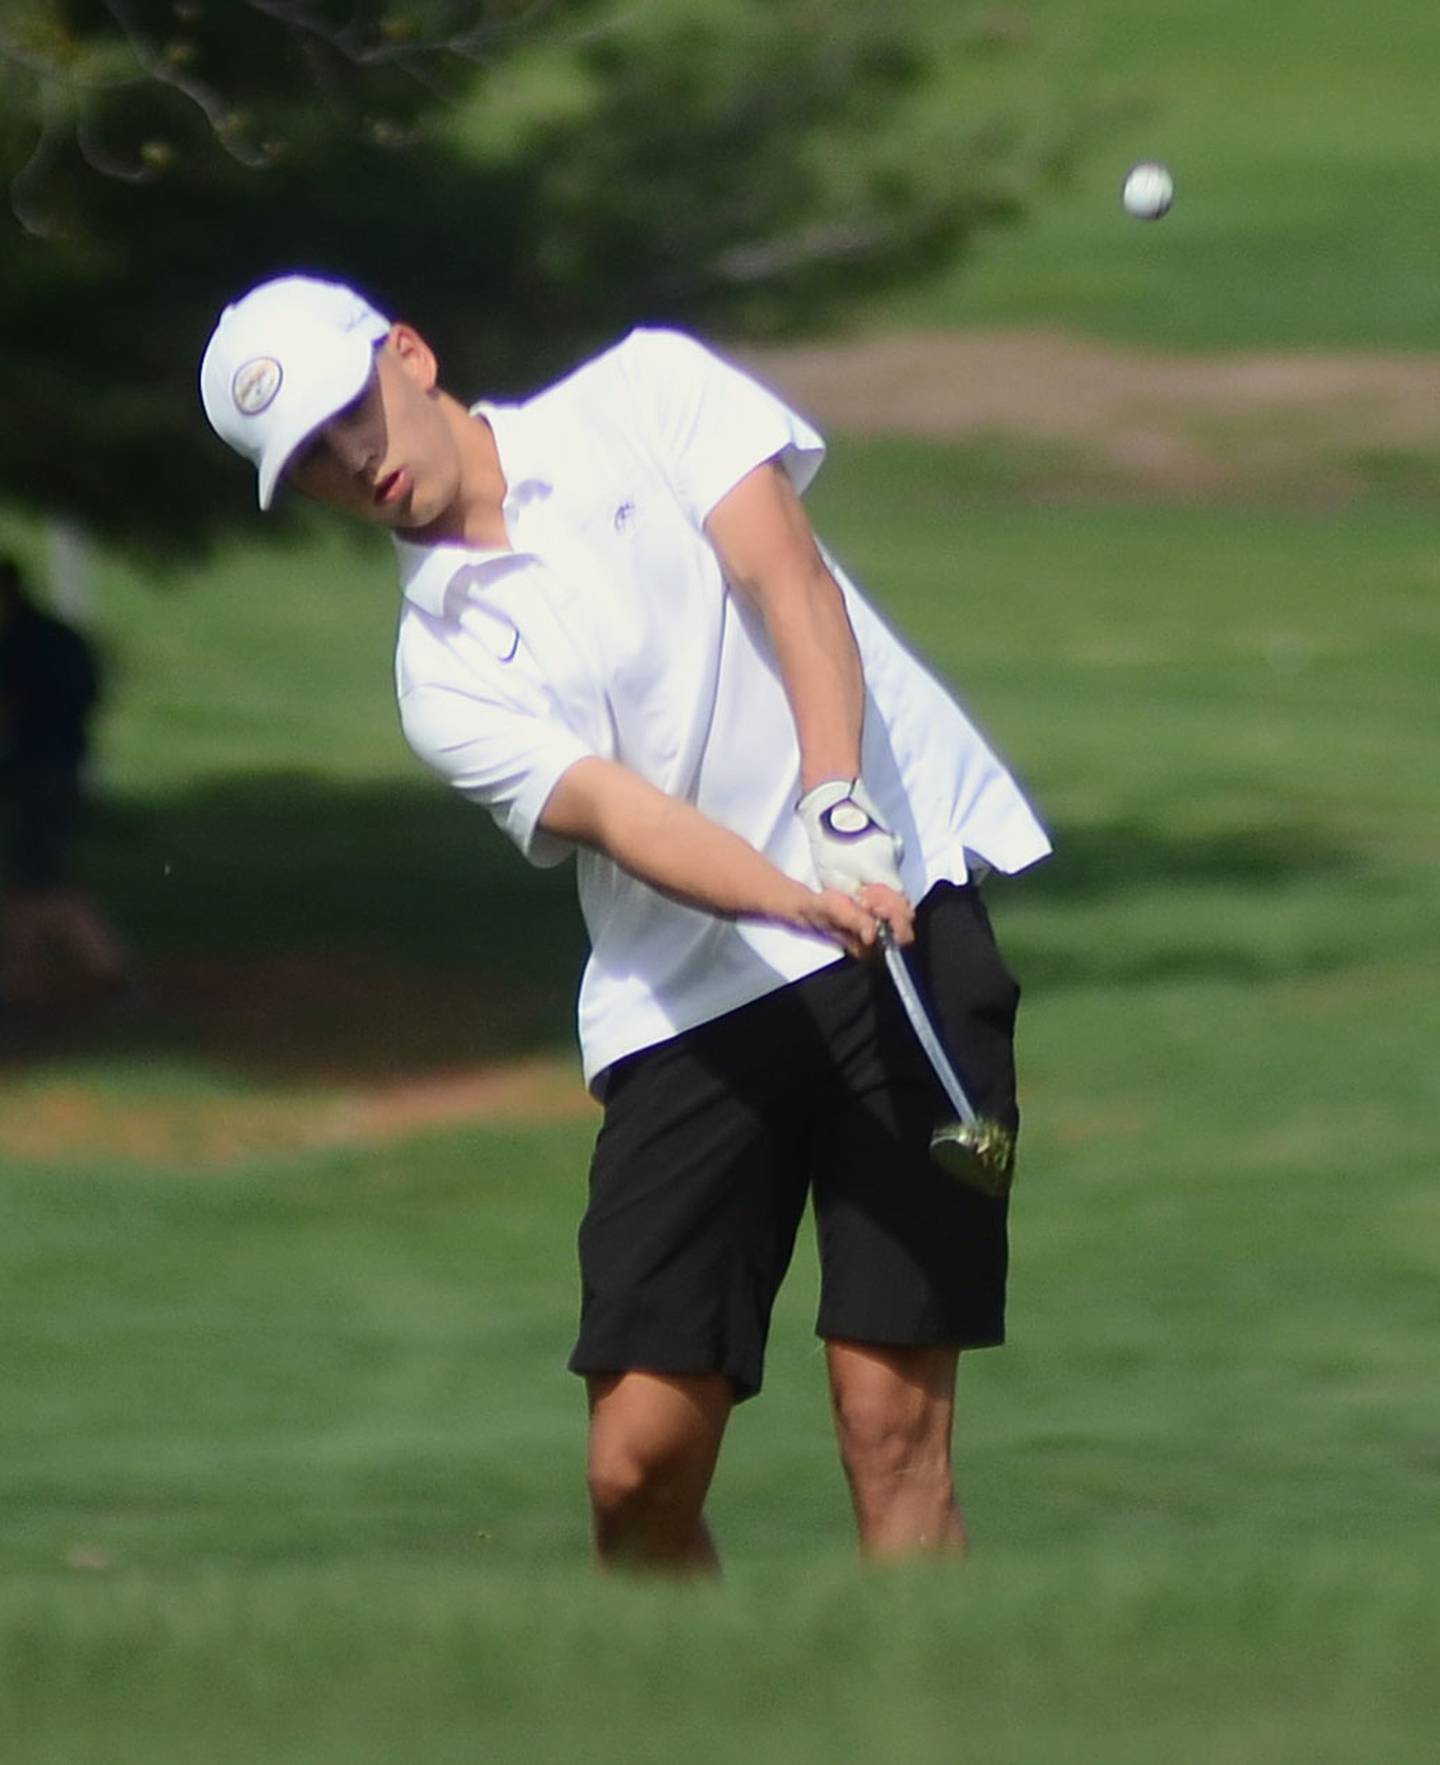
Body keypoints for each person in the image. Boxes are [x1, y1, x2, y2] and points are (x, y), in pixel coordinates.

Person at [199, 275, 1052, 1572]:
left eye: (348, 414)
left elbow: (792, 582)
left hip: (900, 918)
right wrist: (788, 891)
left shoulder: (646, 391)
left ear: (411, 355)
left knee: (890, 1429)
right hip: (690, 1006)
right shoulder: (440, 668)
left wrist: (834, 798)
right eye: (307, 461)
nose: (350, 461)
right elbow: (624, 813)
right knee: (634, 1471)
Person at [0, 557, 127, 1013]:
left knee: (43, 881)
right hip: (65, 765)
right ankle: (20, 981)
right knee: (30, 878)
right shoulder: (59, 638)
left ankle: (107, 968)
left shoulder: (17, 644)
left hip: (36, 770)